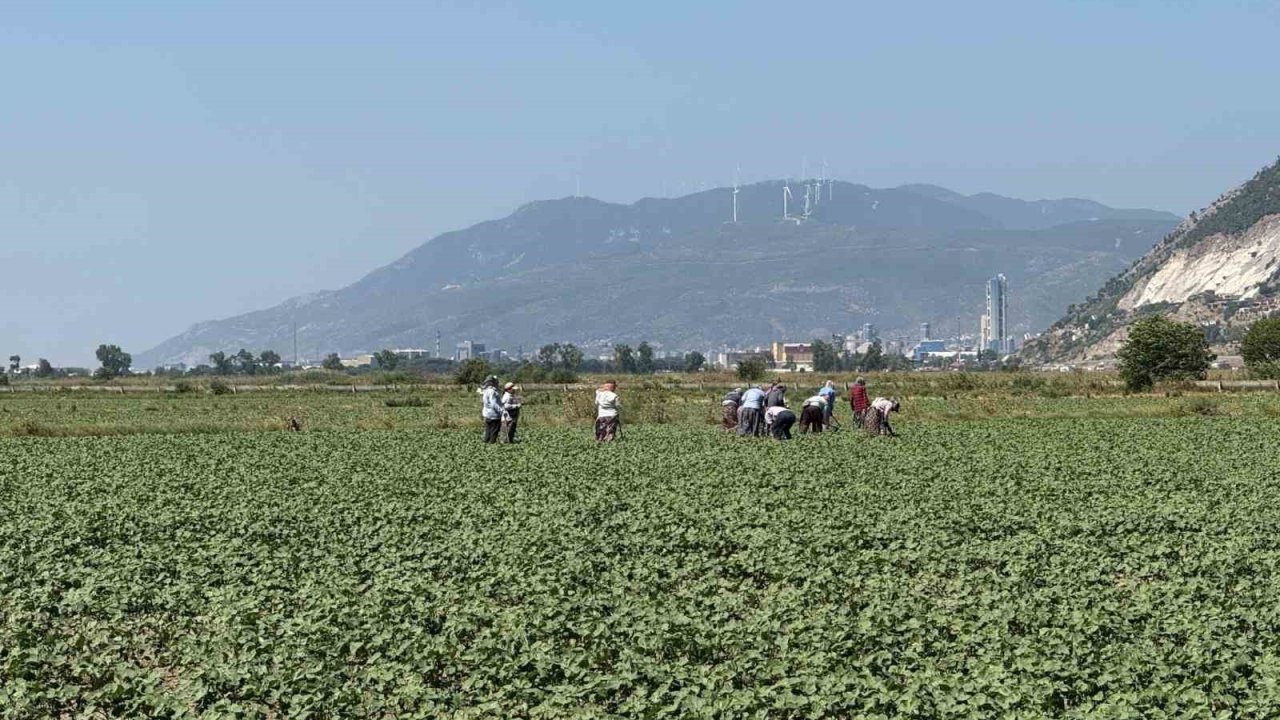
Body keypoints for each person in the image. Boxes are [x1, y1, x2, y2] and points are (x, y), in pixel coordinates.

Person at [480, 375, 502, 444]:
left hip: (487, 414)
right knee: (494, 431)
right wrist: (501, 410)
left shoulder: (485, 391)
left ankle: (486, 444)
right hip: (494, 415)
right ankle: (491, 445)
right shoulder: (492, 391)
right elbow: (493, 404)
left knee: (488, 430)